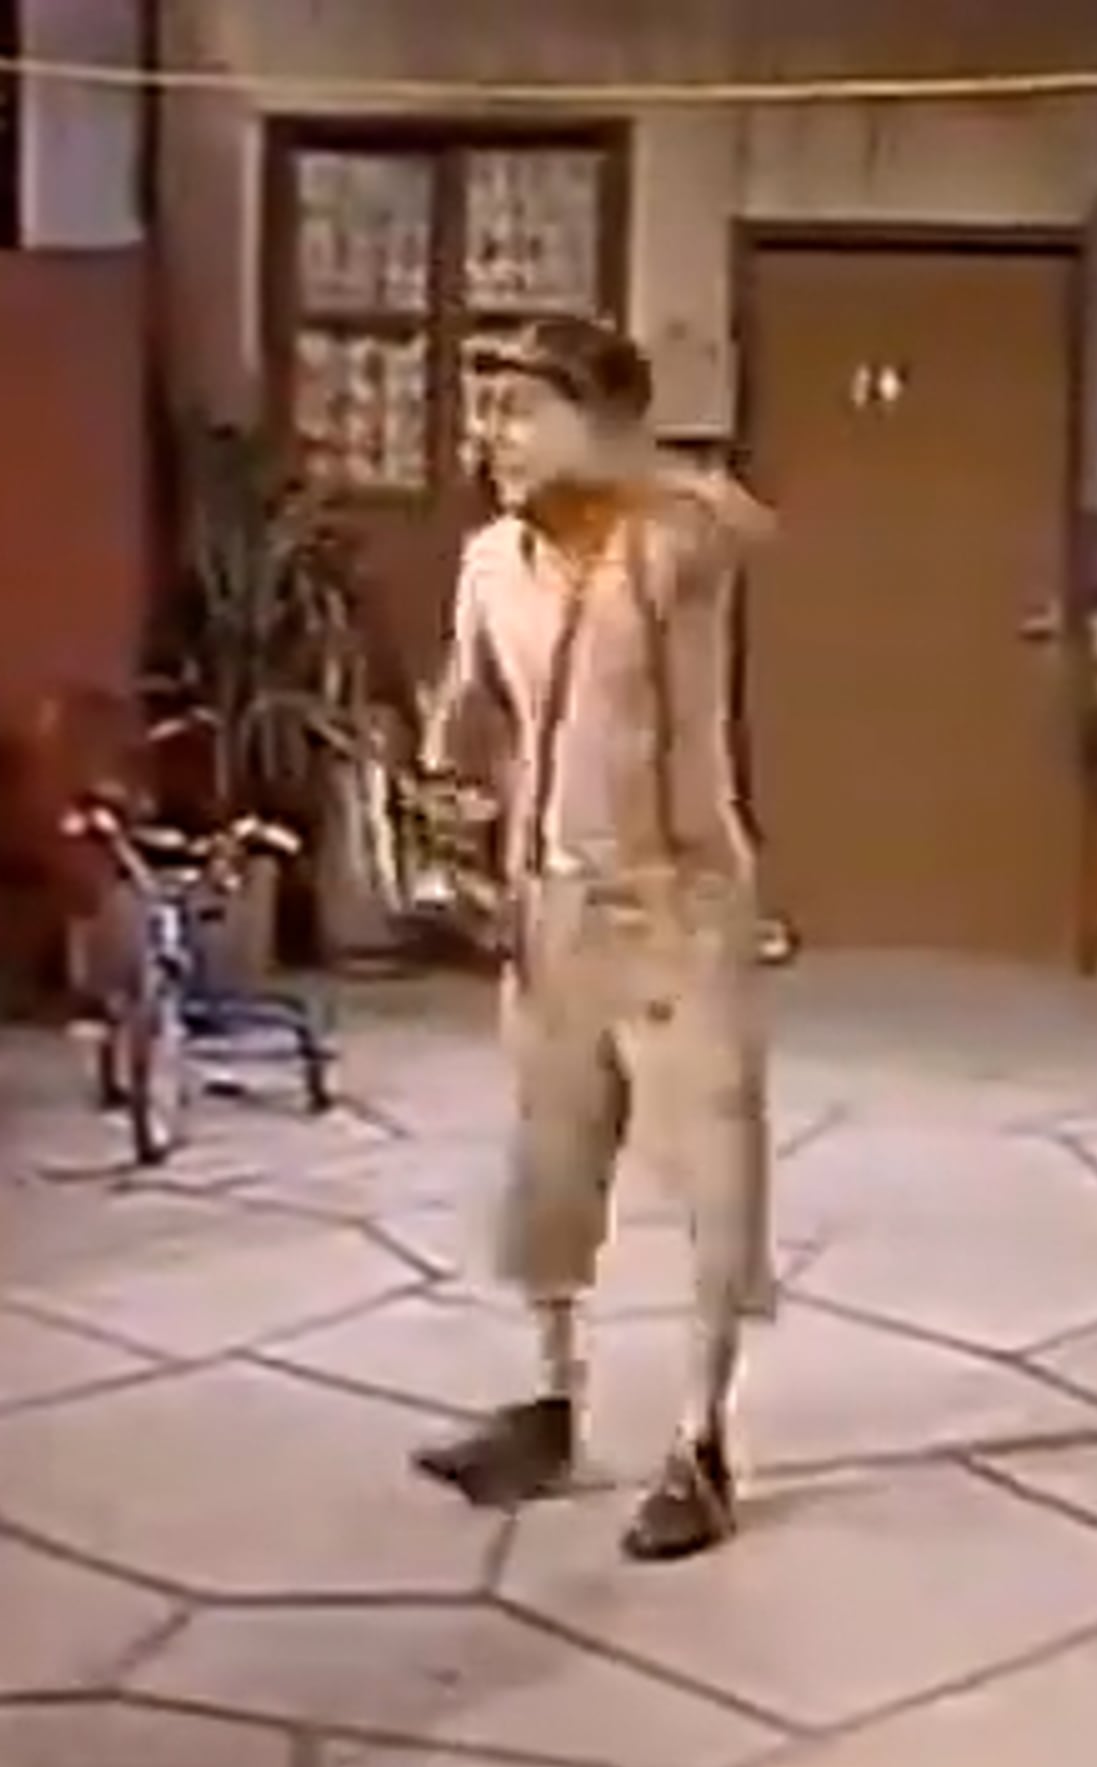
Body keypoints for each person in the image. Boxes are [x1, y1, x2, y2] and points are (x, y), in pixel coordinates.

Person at [411, 315, 775, 1562]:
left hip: (677, 909)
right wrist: (456, 793)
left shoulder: (669, 543)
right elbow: (465, 718)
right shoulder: (488, 565)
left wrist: (624, 465)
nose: (494, 438)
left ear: (601, 426)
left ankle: (700, 1443)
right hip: (553, 908)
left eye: (524, 412)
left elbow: (743, 521)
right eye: (490, 412)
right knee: (552, 1168)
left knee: (711, 1173)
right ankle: (550, 1402)